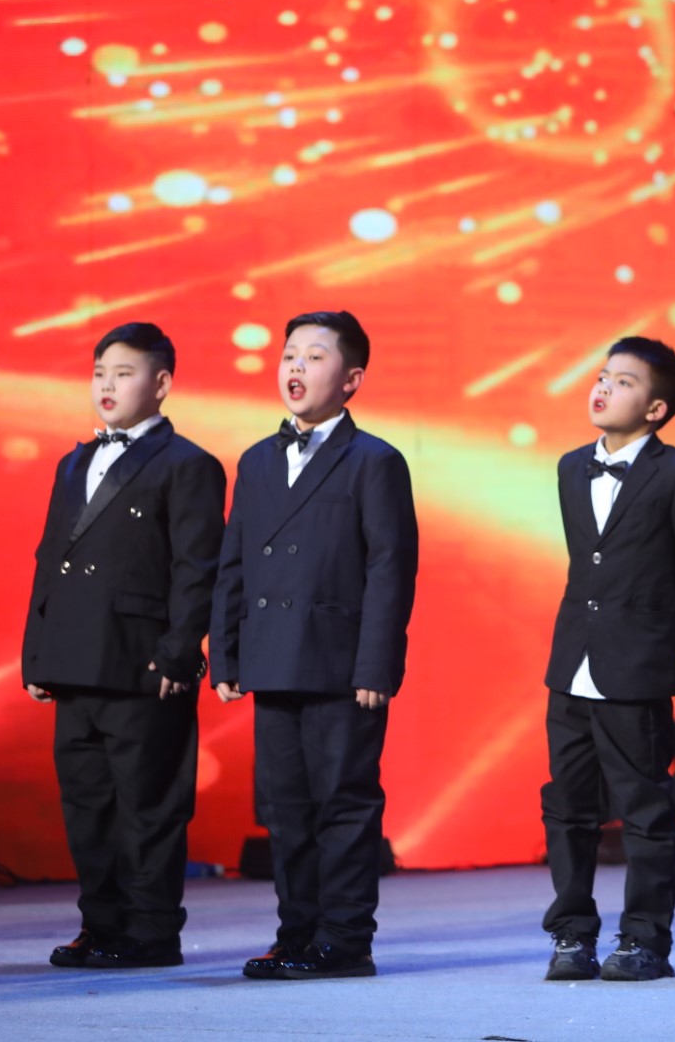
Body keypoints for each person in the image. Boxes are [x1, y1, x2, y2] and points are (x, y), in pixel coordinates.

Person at [210, 310, 419, 980]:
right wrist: (227, 653)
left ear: (351, 379)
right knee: (285, 810)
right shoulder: (256, 461)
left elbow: (390, 569)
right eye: (289, 355)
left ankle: (345, 940)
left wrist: (376, 664)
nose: (296, 367)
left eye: (315, 356)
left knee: (343, 802)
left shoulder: (375, 460)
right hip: (273, 658)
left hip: (339, 664)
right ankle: (296, 933)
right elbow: (234, 562)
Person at [23, 322, 225, 969]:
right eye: (99, 373)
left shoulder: (188, 464)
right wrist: (36, 652)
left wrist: (179, 650)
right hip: (74, 660)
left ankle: (151, 932)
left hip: (143, 663)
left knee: (148, 805)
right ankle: (101, 926)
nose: (106, 385)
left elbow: (197, 567)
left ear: (161, 384)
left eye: (124, 373)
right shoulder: (73, 462)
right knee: (87, 807)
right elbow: (49, 558)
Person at [540, 336, 675, 983]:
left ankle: (645, 939)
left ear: (655, 408)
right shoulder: (571, 467)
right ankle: (571, 935)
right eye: (602, 376)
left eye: (623, 381)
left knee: (644, 809)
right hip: (571, 665)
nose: (603, 387)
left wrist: (660, 639)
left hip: (635, 669)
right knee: (567, 807)